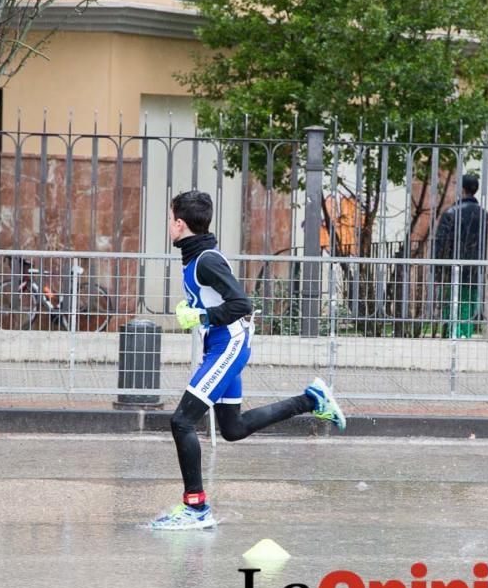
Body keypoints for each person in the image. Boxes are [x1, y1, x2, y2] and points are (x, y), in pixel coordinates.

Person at [149, 190, 347, 531]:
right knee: (233, 428)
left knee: (181, 421)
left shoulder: (207, 260)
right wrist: (199, 314)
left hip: (228, 345)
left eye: (170, 219)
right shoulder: (196, 257)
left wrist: (201, 317)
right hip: (221, 344)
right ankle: (310, 399)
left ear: (180, 225)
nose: (169, 225)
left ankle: (195, 508)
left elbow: (241, 304)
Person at [433, 174, 488, 338]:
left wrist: (437, 269)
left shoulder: (451, 213)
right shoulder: (484, 215)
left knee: (452, 304)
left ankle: (454, 335)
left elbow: (441, 244)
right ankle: (465, 334)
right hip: (474, 269)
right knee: (469, 303)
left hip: (452, 269)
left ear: (462, 190)